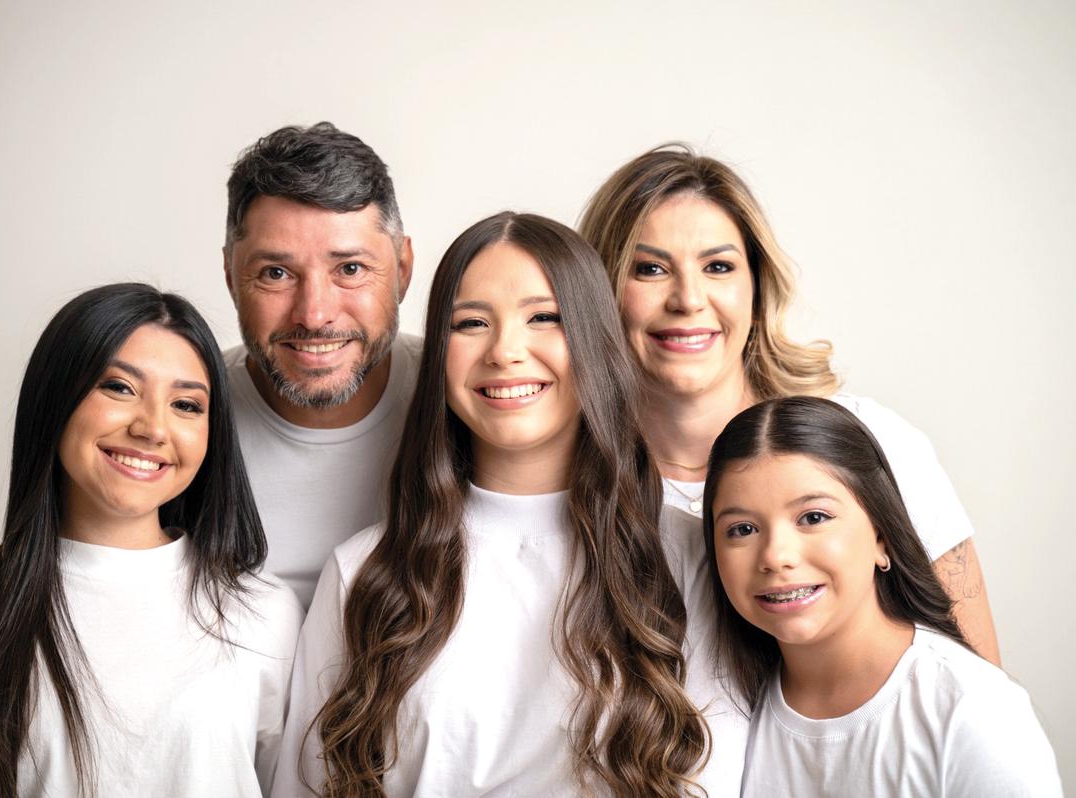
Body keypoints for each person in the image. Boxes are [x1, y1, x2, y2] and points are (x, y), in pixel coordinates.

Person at [272, 213, 748, 797]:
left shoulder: (687, 555)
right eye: (471, 323)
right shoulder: (363, 572)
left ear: (596, 341)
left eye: (544, 318)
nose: (505, 351)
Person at [580, 145, 1001, 662]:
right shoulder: (569, 477)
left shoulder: (874, 442)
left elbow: (977, 680)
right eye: (649, 269)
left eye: (717, 266)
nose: (688, 299)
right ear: (597, 294)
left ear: (756, 289)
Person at [0, 283, 304, 797]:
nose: (152, 428)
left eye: (186, 404)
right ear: (56, 398)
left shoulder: (264, 613)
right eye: (119, 387)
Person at [702, 396, 1061, 796]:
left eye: (814, 518)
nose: (776, 556)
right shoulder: (732, 720)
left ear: (881, 537)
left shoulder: (973, 710)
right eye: (742, 529)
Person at [222, 122, 421, 608]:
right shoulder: (181, 416)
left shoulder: (461, 398)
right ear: (230, 275)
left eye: (349, 269)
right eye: (276, 273)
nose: (313, 315)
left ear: (402, 270)